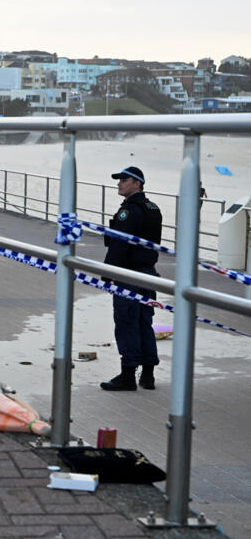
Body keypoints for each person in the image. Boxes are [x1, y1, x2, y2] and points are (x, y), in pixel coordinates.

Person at [100, 166, 163, 391]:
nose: (119, 183)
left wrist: (108, 273)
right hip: (148, 274)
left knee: (127, 323)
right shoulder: (153, 208)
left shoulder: (129, 210)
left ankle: (127, 375)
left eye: (124, 180)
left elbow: (119, 243)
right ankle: (148, 375)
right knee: (145, 323)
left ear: (137, 184)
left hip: (129, 274)